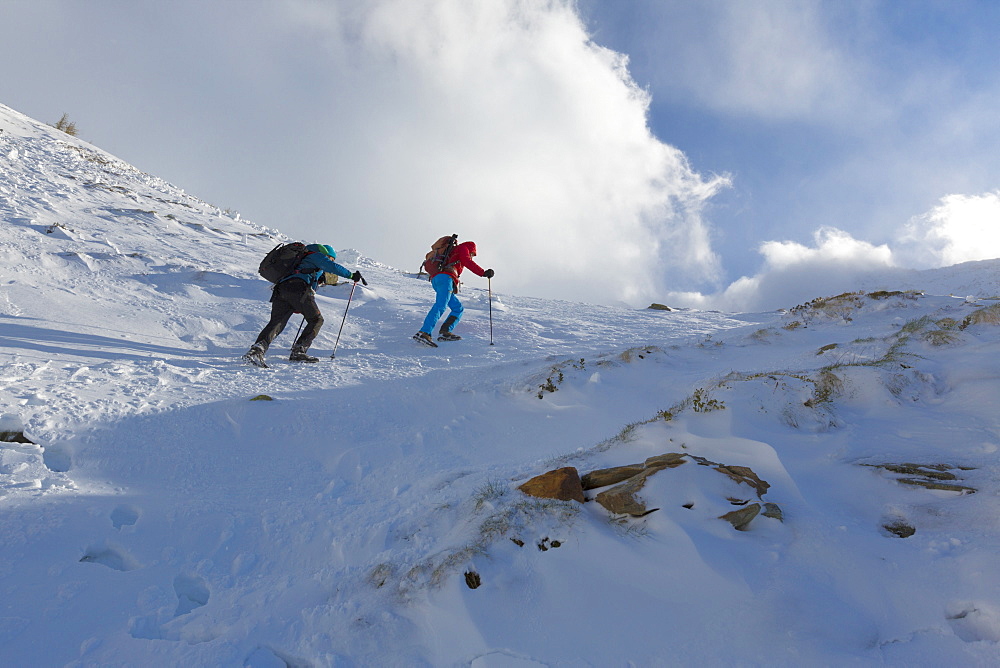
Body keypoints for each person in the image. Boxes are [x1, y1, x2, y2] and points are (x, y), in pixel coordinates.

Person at [243, 244, 363, 366]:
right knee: (316, 319)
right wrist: (352, 275)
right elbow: (332, 267)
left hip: (281, 290)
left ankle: (257, 350)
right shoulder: (316, 256)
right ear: (326, 254)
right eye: (331, 258)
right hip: (298, 288)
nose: (330, 261)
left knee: (277, 322)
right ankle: (299, 351)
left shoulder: (303, 259)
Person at [414, 240, 494, 346]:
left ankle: (445, 332)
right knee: (441, 305)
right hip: (445, 278)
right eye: (472, 254)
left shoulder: (452, 251)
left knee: (458, 308)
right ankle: (424, 332)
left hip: (438, 279)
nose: (472, 256)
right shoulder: (463, 248)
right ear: (472, 249)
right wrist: (482, 272)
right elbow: (467, 261)